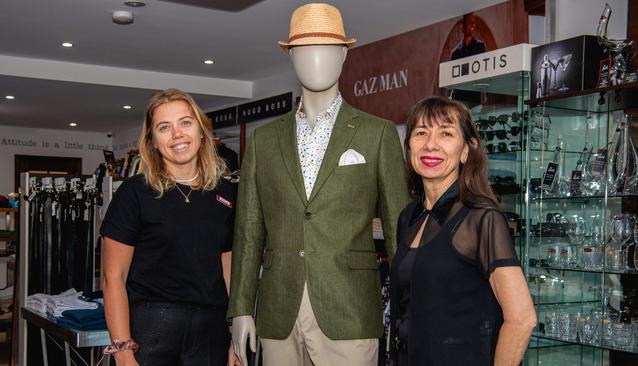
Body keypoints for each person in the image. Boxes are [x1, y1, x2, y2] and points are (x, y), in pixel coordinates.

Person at [228, 3, 410, 366]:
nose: (316, 59)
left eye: (327, 49)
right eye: (306, 49)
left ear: (343, 55)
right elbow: (249, 231)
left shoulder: (377, 134)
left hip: (350, 310)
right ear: (291, 56)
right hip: (279, 310)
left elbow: (398, 230)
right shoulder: (264, 141)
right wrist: (241, 308)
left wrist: (409, 310)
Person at [390, 97, 536, 365]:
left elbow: (522, 319)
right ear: (409, 145)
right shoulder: (408, 217)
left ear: (466, 151)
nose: (430, 144)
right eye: (421, 133)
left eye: (446, 133)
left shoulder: (482, 218)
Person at [101, 88, 239, 366]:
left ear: (202, 131)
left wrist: (234, 336)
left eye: (185, 123)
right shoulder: (134, 193)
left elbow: (229, 272)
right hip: (152, 329)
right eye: (164, 127)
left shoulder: (226, 194)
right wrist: (124, 351)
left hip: (210, 330)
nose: (177, 134)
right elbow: (112, 277)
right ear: (152, 141)